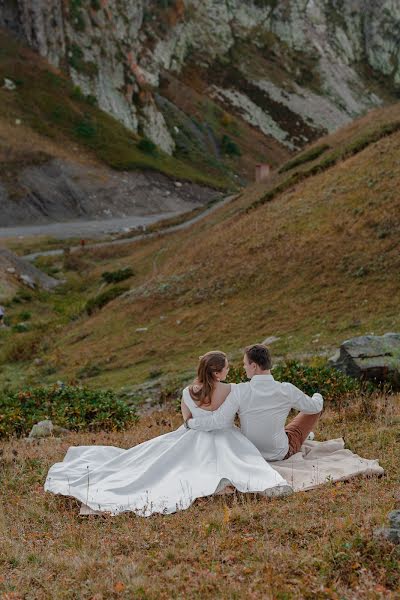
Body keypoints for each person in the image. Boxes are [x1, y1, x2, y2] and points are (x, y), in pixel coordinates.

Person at [44, 351, 291, 516]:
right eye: (226, 368)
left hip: (191, 437)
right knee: (244, 462)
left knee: (160, 462)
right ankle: (268, 485)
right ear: (217, 373)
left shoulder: (187, 392)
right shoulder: (232, 390)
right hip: (226, 436)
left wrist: (194, 425)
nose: (229, 370)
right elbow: (225, 418)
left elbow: (187, 421)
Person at [187, 344, 323, 461]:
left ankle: (294, 435)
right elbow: (315, 407)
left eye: (245, 364)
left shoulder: (240, 390)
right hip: (279, 454)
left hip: (251, 453)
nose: (244, 367)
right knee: (312, 410)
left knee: (283, 428)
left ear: (253, 366)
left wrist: (190, 422)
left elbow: (217, 421)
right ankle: (300, 436)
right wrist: (318, 395)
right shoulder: (286, 389)